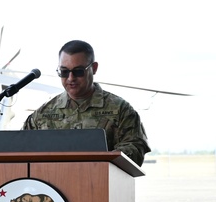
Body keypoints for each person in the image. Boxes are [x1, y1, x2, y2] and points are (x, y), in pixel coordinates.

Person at [21, 40, 150, 166]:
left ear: (94, 68)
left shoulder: (120, 110)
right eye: (64, 72)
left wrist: (102, 161)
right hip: (51, 185)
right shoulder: (42, 114)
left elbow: (135, 149)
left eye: (78, 71)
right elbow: (20, 151)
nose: (71, 78)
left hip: (101, 183)